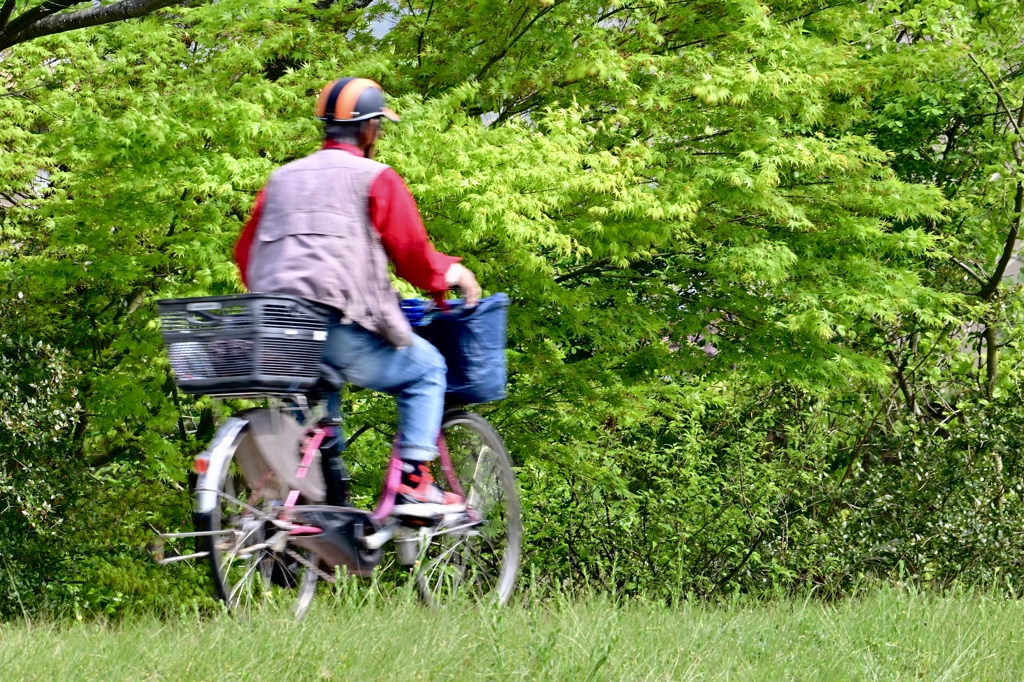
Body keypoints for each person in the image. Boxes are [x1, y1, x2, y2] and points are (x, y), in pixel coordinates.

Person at [234, 77, 481, 518]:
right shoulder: (375, 178)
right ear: (368, 130)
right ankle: (412, 483)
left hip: (274, 328)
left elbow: (245, 255)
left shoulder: (280, 179)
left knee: (318, 425)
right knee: (426, 371)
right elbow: (413, 259)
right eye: (379, 129)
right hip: (332, 328)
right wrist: (452, 273)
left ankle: (312, 522)